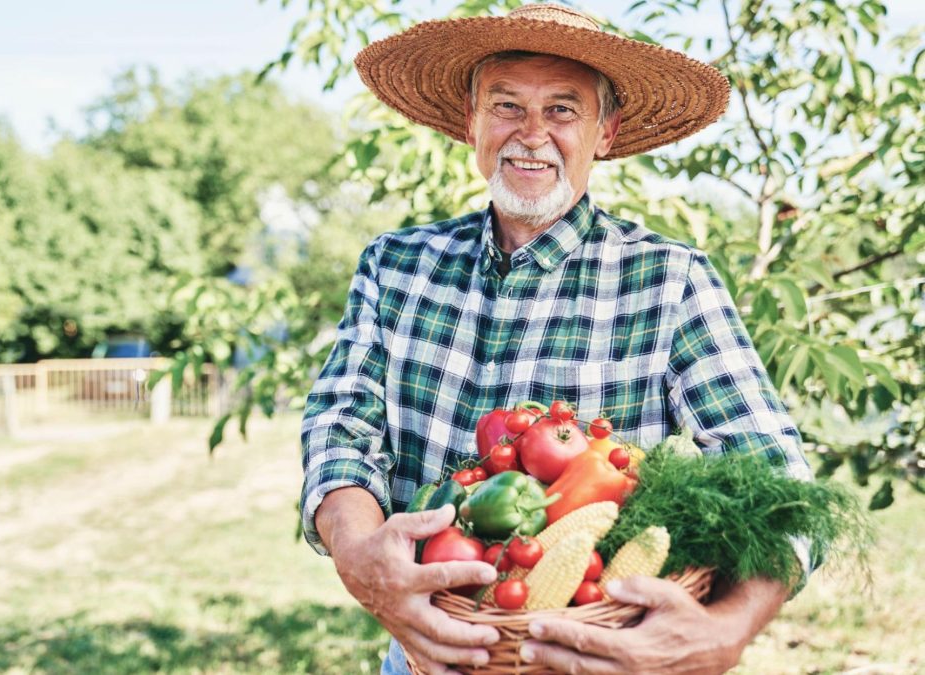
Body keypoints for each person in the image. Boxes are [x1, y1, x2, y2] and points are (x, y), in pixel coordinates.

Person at [300, 5, 814, 674]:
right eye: (507, 104)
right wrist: (358, 554)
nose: (532, 134)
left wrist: (727, 629)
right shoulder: (395, 265)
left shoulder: (669, 278)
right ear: (472, 122)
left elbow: (779, 480)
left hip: (599, 653)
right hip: (429, 653)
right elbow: (341, 428)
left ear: (606, 132)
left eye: (564, 110)